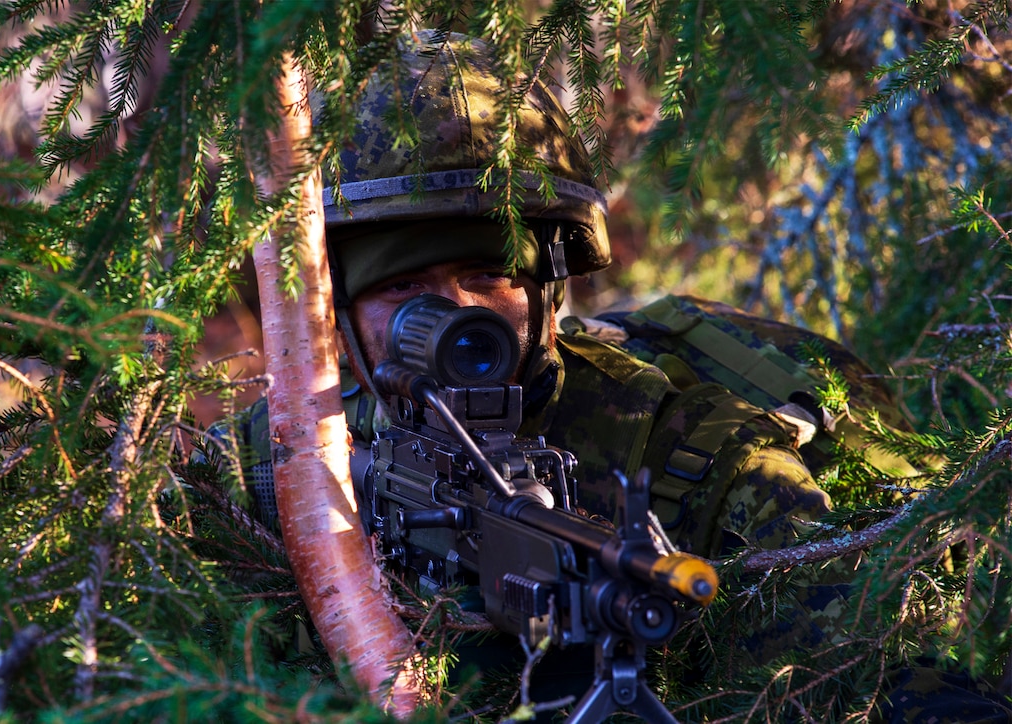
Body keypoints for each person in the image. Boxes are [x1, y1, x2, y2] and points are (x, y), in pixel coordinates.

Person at [214, 30, 1010, 721]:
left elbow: (872, 677)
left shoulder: (700, 462)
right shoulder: (266, 460)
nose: (457, 316)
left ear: (548, 285)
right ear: (330, 311)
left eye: (488, 275)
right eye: (402, 288)